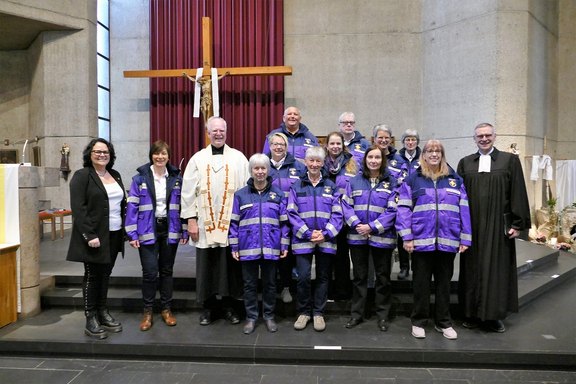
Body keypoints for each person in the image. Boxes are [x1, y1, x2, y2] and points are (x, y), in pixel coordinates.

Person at [457, 123, 531, 333]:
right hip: (472, 225)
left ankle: (493, 316)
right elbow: (458, 196)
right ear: (474, 139)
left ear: (495, 136)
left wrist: (517, 224)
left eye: (488, 135)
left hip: (499, 226)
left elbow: (518, 191)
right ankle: (471, 312)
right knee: (471, 269)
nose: (484, 139)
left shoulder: (509, 160)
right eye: (480, 136)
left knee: (496, 270)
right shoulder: (465, 163)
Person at [397, 140, 472, 340]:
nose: (433, 154)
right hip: (421, 242)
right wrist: (407, 236)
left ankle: (443, 322)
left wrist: (465, 238)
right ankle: (419, 321)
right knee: (421, 284)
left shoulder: (455, 180)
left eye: (437, 151)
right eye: (430, 151)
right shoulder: (413, 179)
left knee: (444, 285)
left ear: (442, 155)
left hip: (448, 241)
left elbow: (464, 210)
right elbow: (404, 209)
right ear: (424, 155)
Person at [181, 116, 250, 326]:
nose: (218, 134)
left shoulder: (239, 158)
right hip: (205, 223)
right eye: (214, 131)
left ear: (226, 132)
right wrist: (190, 220)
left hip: (231, 224)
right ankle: (208, 308)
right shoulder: (197, 159)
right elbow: (187, 192)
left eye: (221, 130)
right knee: (207, 266)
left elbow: (247, 190)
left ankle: (230, 306)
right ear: (207, 133)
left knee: (230, 267)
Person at [125, 140, 188, 332]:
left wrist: (184, 229)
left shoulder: (177, 178)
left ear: (169, 156)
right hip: (147, 230)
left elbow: (183, 206)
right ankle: (148, 311)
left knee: (167, 272)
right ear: (151, 155)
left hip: (170, 229)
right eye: (156, 153)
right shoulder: (140, 179)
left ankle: (166, 309)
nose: (160, 157)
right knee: (150, 273)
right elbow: (132, 207)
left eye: (164, 154)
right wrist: (131, 233)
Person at [66, 138, 126, 340]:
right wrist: (89, 235)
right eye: (98, 152)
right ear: (89, 154)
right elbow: (79, 209)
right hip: (94, 236)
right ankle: (90, 317)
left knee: (105, 275)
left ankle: (102, 311)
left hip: (115, 234)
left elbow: (120, 205)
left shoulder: (115, 175)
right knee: (92, 276)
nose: (102, 155)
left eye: (106, 152)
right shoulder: (82, 176)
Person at [229, 154, 290, 334]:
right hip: (247, 247)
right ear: (251, 171)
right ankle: (251, 317)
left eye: (263, 168)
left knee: (270, 284)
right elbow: (233, 223)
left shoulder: (278, 194)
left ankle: (269, 316)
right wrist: (234, 246)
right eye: (256, 168)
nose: (260, 172)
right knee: (249, 285)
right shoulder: (241, 195)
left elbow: (284, 223)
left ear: (268, 170)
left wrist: (284, 245)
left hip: (272, 247)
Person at [341, 145, 398, 331]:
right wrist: (359, 225)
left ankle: (383, 316)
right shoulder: (354, 181)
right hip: (358, 237)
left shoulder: (392, 182)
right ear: (365, 160)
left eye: (377, 157)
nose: (374, 160)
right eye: (370, 157)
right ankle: (357, 314)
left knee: (383, 277)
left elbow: (393, 209)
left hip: (383, 237)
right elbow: (345, 206)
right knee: (359, 277)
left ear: (383, 160)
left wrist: (372, 227)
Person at [288, 146, 343, 332]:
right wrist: (308, 233)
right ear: (305, 162)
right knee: (303, 277)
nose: (314, 164)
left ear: (322, 163)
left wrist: (325, 233)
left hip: (326, 240)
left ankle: (318, 313)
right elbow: (291, 213)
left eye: (318, 161)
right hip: (303, 239)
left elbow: (338, 214)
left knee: (323, 277)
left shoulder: (331, 186)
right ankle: (303, 312)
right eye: (311, 160)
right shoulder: (296, 186)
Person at [266, 132, 307, 304]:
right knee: (271, 253)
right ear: (269, 146)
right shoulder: (263, 165)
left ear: (286, 147)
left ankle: (286, 287)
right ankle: (271, 289)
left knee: (287, 255)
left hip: (291, 219)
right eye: (275, 144)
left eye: (281, 144)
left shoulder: (298, 166)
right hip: (269, 218)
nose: (278, 147)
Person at [323, 131, 358, 301]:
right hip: (325, 218)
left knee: (343, 256)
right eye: (332, 143)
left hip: (344, 219)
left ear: (343, 145)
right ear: (327, 145)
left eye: (339, 144)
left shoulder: (353, 164)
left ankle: (343, 292)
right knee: (327, 256)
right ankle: (327, 292)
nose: (335, 147)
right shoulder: (320, 164)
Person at [396, 129, 422, 280]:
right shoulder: (396, 159)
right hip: (401, 202)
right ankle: (404, 267)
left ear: (417, 142)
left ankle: (416, 267)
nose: (410, 142)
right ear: (403, 142)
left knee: (418, 232)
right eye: (407, 140)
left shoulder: (423, 158)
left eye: (413, 139)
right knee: (403, 234)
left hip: (419, 201)